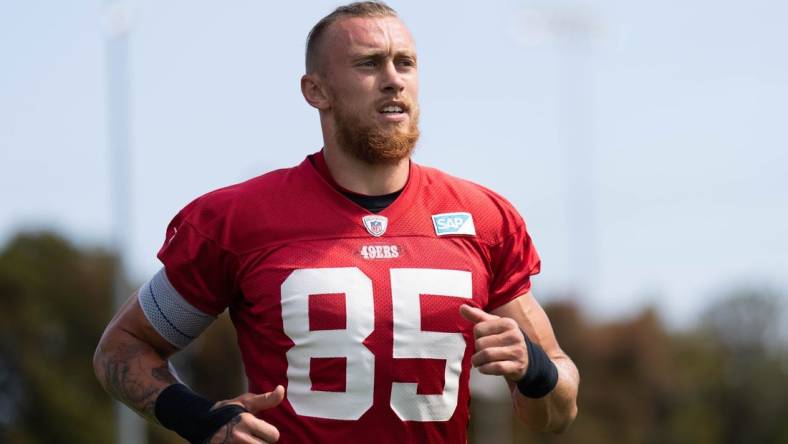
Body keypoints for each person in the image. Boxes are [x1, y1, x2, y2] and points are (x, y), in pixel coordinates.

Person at [93, 2, 579, 443]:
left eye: (405, 62)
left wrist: (534, 370)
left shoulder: (483, 218)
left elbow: (557, 411)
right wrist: (199, 419)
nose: (393, 79)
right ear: (316, 90)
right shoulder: (238, 218)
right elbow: (123, 346)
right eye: (369, 63)